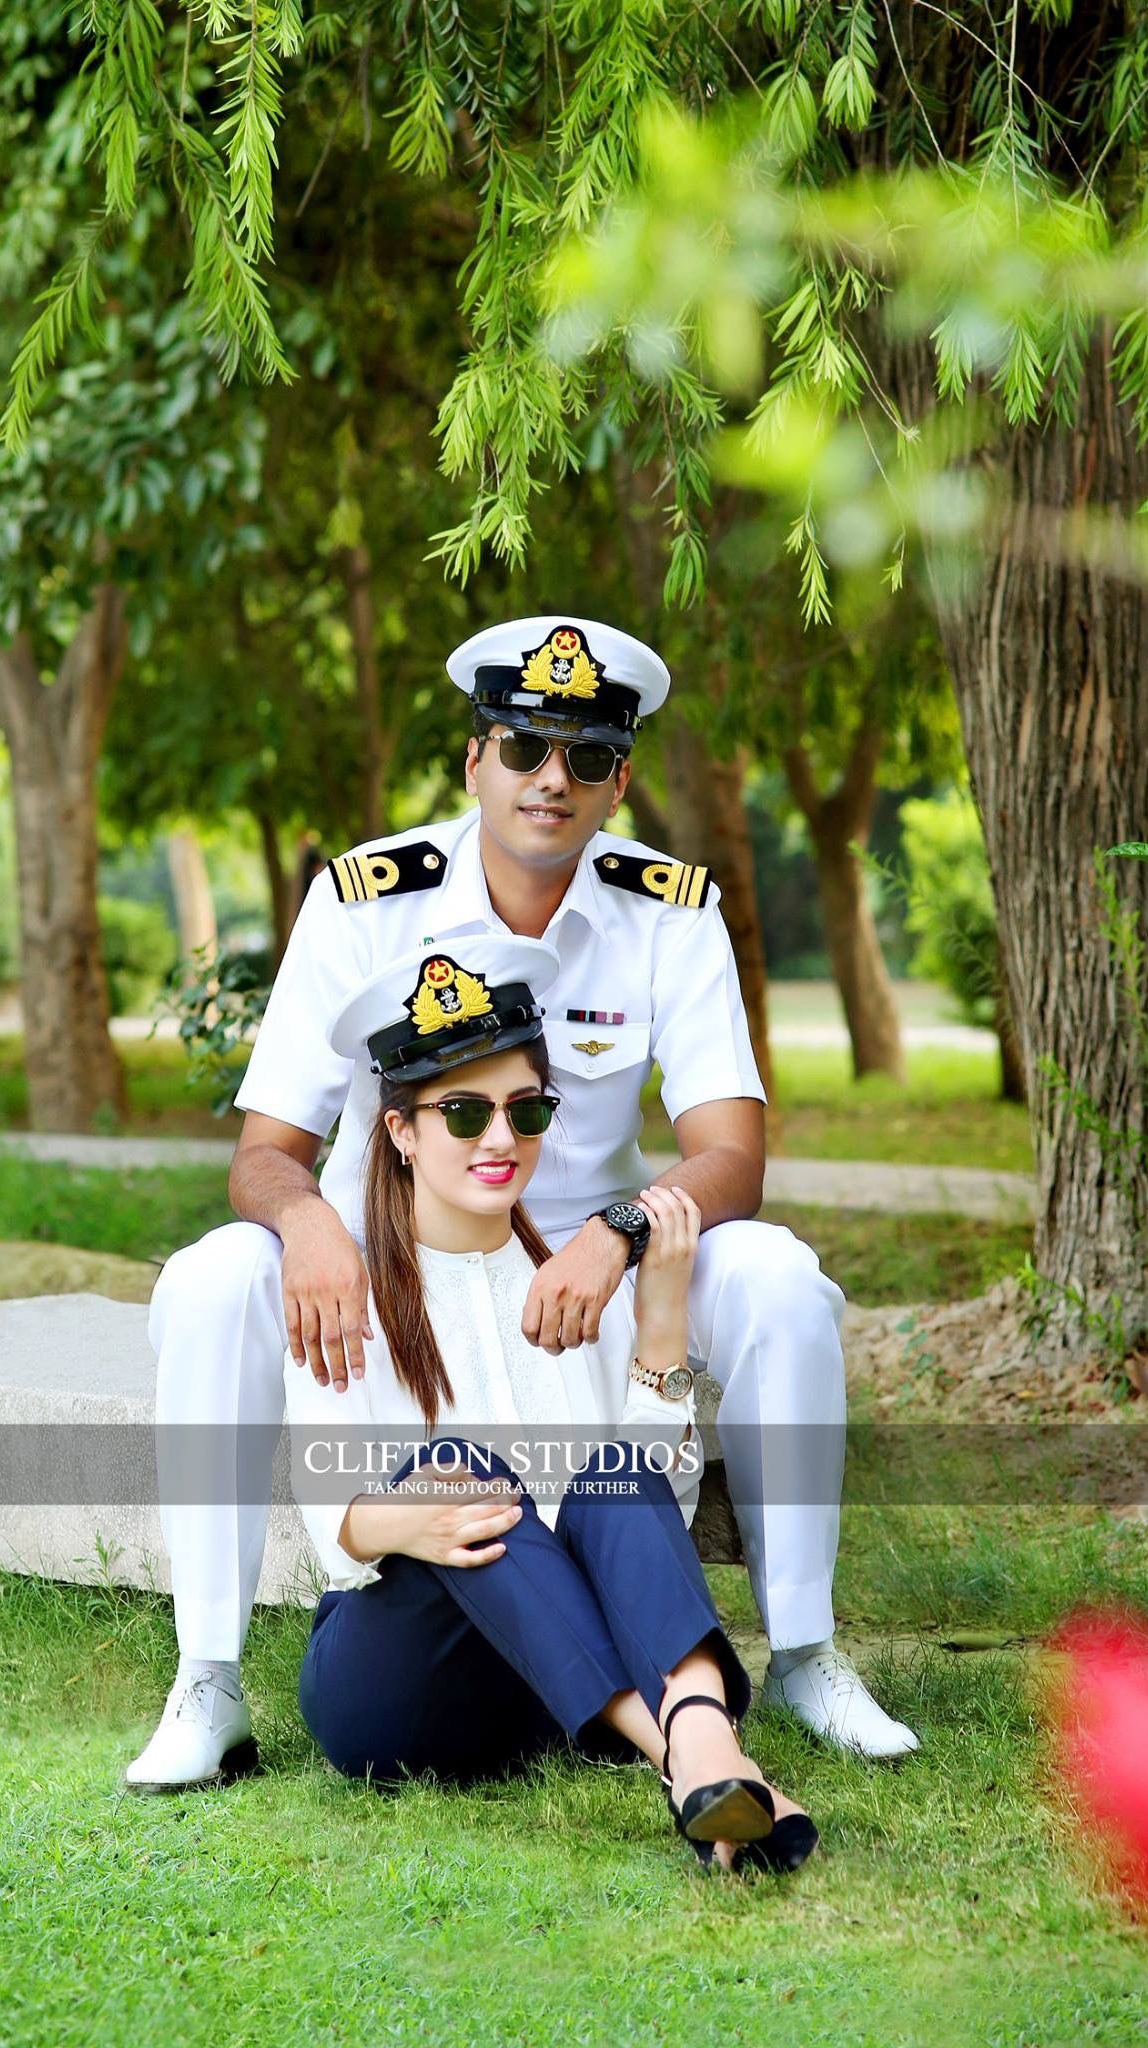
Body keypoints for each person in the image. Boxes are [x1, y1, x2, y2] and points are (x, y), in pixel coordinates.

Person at [128, 614, 917, 1793]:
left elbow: (731, 1155)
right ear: (474, 761)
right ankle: (208, 1676)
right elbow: (265, 1153)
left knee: (779, 1280)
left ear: (619, 782)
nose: (553, 778)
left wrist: (623, 1235)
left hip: (599, 1249)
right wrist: (308, 1226)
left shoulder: (671, 907)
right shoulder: (364, 900)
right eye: (524, 747)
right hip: (395, 1246)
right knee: (206, 1281)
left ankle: (804, 1648)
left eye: (586, 758)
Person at [286, 934, 817, 1876]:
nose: (500, 1139)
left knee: (612, 1472)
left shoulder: (575, 1282)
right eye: (463, 1114)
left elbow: (653, 1514)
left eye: (525, 1110)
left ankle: (699, 1748)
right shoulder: (345, 1293)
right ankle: (689, 1750)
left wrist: (657, 1323)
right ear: (401, 1131)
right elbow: (336, 1527)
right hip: (396, 1684)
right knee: (462, 1475)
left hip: (543, 1696)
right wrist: (413, 1513)